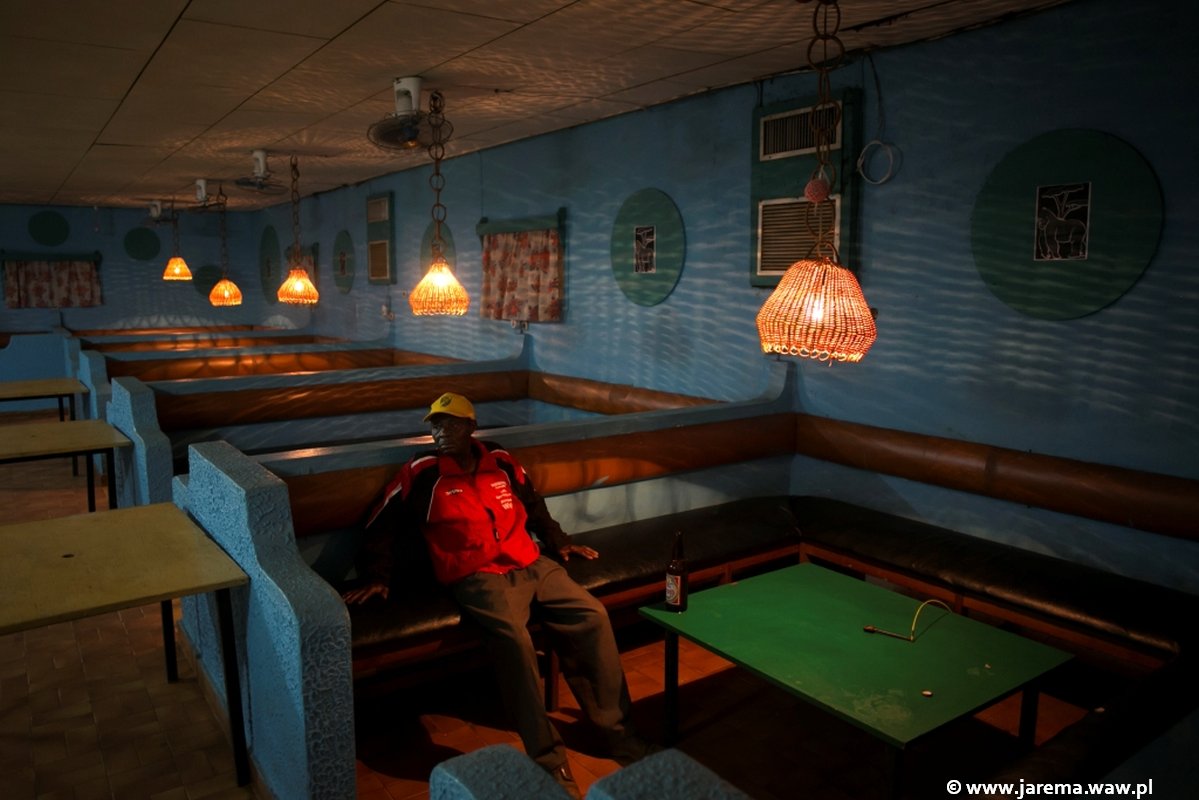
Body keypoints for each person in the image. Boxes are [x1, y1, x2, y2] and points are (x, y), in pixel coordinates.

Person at [343, 392, 652, 798]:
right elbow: (381, 522)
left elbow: (532, 501)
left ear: (471, 427)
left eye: (450, 423)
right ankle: (548, 760)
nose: (440, 432)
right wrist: (377, 576)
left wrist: (558, 541)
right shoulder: (422, 472)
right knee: (514, 641)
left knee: (591, 614)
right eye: (435, 425)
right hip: (477, 576)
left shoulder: (500, 459)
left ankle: (619, 736)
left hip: (530, 561)